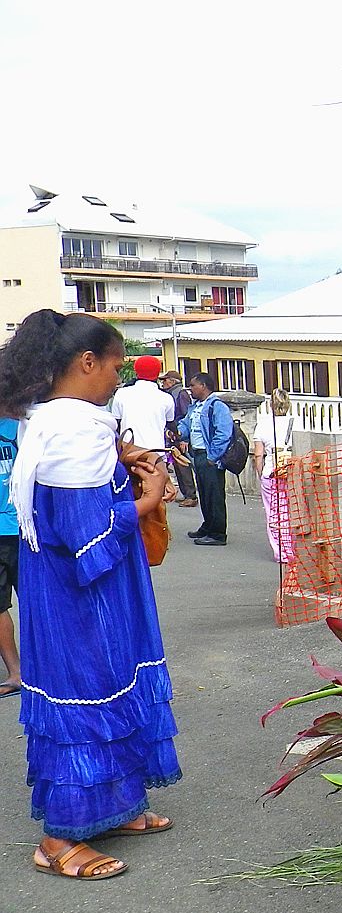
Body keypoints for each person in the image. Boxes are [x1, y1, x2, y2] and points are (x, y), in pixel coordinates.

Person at [0, 309, 180, 880]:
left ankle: (114, 806)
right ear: (86, 362)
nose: (117, 378)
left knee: (113, 682)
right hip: (78, 593)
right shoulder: (75, 429)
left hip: (77, 586)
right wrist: (147, 500)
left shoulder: (60, 420)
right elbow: (85, 534)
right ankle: (59, 840)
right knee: (84, 692)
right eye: (115, 365)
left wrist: (121, 467)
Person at [178, 372, 233, 546]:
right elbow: (186, 425)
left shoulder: (217, 406)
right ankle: (208, 525)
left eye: (193, 385)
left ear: (203, 386)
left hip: (209, 457)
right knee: (204, 492)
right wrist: (179, 432)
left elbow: (224, 432)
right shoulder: (195, 407)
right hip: (198, 455)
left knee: (214, 494)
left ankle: (217, 533)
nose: (190, 389)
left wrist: (212, 456)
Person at [252, 387, 295, 563]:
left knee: (274, 512)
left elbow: (258, 454)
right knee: (291, 510)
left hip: (272, 471)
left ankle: (280, 551)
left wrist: (261, 472)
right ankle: (293, 549)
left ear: (270, 405)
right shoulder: (296, 422)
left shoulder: (263, 424)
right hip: (292, 470)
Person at [110, 355, 175, 452]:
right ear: (157, 373)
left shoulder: (121, 394)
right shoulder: (166, 398)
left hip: (128, 453)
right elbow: (170, 424)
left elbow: (116, 424)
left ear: (136, 372)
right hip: (157, 454)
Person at [0, 416, 20, 696]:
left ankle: (16, 673)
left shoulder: (21, 425)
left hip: (21, 526)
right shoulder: (23, 424)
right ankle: (17, 672)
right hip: (25, 525)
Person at [159, 371, 197, 507]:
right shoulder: (173, 394)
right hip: (175, 433)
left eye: (165, 380)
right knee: (178, 464)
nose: (163, 383)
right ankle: (187, 494)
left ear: (172, 381)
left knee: (183, 465)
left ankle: (191, 495)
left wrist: (183, 437)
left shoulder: (180, 394)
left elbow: (186, 416)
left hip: (180, 434)